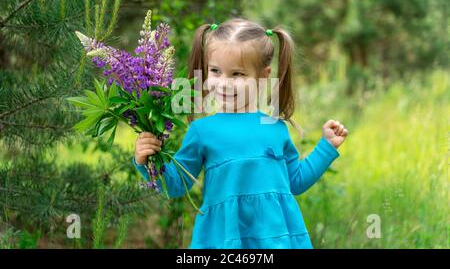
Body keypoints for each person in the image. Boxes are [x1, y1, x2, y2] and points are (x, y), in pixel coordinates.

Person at [132, 18, 349, 248]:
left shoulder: (275, 128)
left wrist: (326, 147)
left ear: (263, 75)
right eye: (216, 71)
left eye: (237, 74)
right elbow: (177, 185)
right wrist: (148, 160)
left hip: (276, 239)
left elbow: (295, 181)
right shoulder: (202, 131)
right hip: (225, 239)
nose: (224, 84)